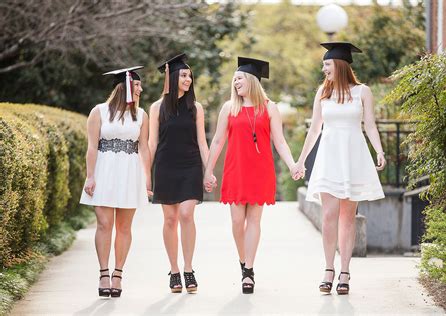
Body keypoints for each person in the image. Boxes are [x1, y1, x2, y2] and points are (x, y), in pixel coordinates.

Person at [294, 42, 386, 295]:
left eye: (327, 64)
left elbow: (370, 125)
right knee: (328, 217)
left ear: (340, 65)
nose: (324, 69)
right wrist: (301, 161)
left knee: (348, 218)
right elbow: (314, 130)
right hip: (329, 158)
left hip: (353, 157)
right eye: (323, 65)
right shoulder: (322, 92)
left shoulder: (363, 92)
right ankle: (328, 268)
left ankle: (345, 271)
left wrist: (378, 150)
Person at [204, 57, 297, 294]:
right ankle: (243, 260)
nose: (235, 83)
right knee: (237, 221)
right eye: (233, 79)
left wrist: (292, 165)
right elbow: (217, 141)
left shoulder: (270, 107)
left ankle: (248, 271)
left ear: (252, 80)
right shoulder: (229, 108)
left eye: (239, 78)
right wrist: (208, 170)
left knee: (254, 220)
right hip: (236, 170)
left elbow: (280, 141)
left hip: (260, 170)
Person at [80, 66, 152, 298]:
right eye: (138, 85)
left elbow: (144, 147)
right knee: (103, 223)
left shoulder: (141, 115)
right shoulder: (98, 112)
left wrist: (147, 178)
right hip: (104, 170)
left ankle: (118, 274)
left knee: (124, 226)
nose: (141, 88)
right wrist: (90, 176)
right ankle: (103, 273)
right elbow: (91, 147)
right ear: (126, 87)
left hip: (130, 172)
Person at [148, 53, 209, 293]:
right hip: (165, 166)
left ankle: (188, 268)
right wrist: (146, 174)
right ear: (172, 77)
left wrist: (209, 171)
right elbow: (152, 143)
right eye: (183, 75)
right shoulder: (156, 107)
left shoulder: (196, 107)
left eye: (189, 76)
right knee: (170, 219)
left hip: (190, 166)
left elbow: (203, 142)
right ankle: (174, 271)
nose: (188, 79)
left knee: (186, 214)